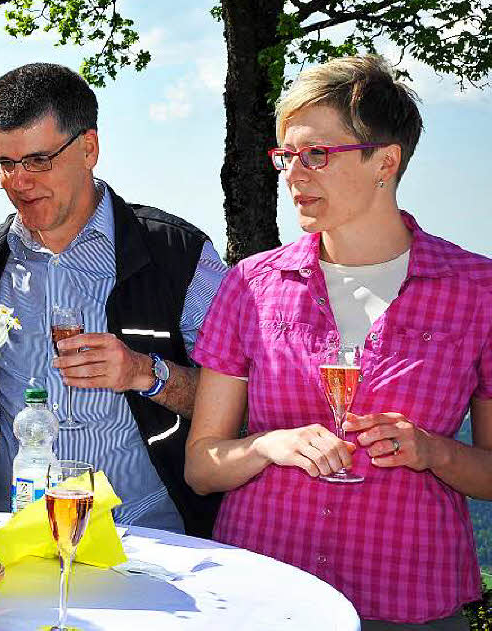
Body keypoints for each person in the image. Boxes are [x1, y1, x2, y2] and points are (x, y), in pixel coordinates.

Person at [186, 54, 491, 629]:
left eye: (317, 155)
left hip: (408, 604)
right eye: (286, 156)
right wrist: (266, 446)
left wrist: (434, 451)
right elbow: (202, 467)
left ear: (386, 161)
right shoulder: (251, 284)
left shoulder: (480, 291)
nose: (294, 175)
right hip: (261, 596)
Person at [0, 63, 226, 537]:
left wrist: (144, 373)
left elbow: (244, 402)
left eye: (37, 161)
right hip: (15, 541)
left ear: (89, 148)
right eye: (5, 164)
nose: (18, 182)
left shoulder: (178, 253)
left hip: (143, 542)